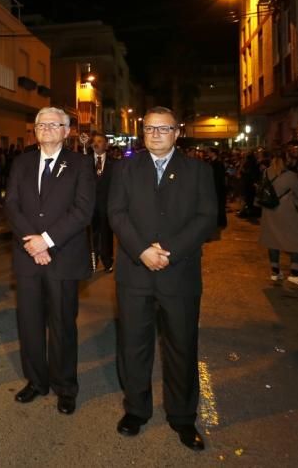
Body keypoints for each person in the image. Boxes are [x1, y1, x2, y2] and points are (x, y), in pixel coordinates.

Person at [108, 106, 216, 451]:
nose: (156, 135)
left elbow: (206, 217)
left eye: (163, 129)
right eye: (150, 129)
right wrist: (142, 251)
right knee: (133, 345)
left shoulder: (198, 170)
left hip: (179, 273)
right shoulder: (124, 168)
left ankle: (182, 418)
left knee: (181, 346)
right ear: (142, 133)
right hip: (135, 272)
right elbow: (116, 213)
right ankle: (136, 410)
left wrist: (167, 250)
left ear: (177, 132)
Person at [4, 107, 94, 415]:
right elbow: (12, 204)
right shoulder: (23, 161)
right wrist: (32, 241)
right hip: (28, 254)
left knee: (62, 325)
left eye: (53, 125)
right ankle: (36, 381)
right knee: (29, 324)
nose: (46, 129)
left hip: (63, 256)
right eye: (41, 124)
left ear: (66, 131)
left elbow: (82, 211)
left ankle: (65, 386)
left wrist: (48, 241)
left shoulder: (81, 164)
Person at [258, 152, 298, 287]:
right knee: (296, 240)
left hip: (269, 211)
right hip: (287, 211)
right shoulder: (291, 176)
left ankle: (275, 272)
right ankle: (295, 273)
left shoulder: (266, 173)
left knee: (273, 240)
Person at [90, 132, 117, 272]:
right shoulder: (85, 162)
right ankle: (92, 262)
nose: (96, 143)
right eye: (94, 141)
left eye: (100, 141)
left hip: (107, 207)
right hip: (90, 208)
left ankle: (107, 262)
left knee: (106, 236)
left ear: (106, 145)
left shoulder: (115, 163)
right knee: (91, 236)